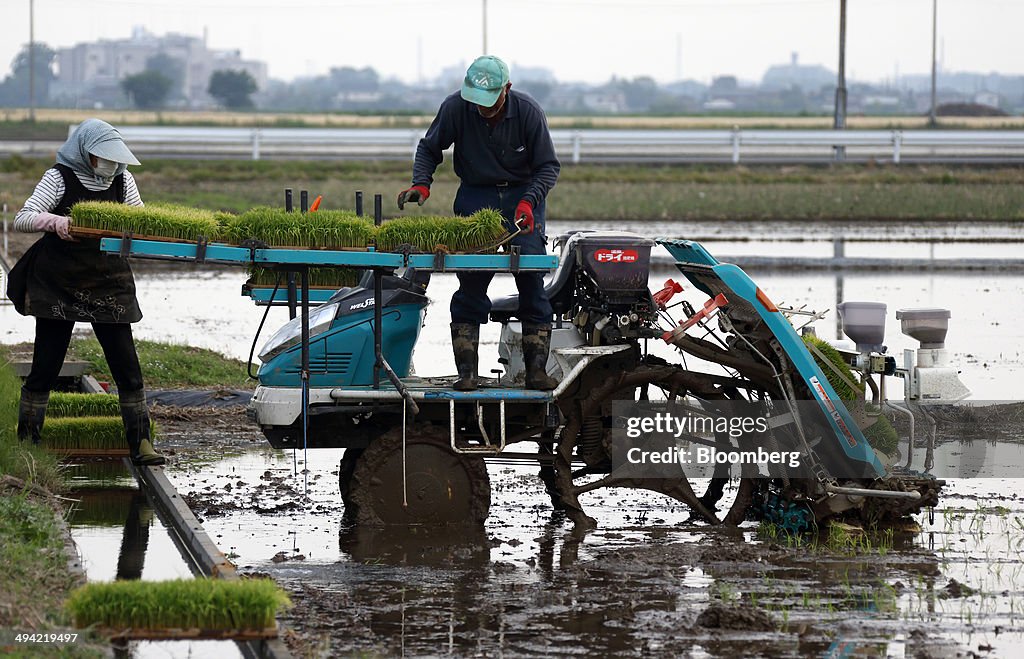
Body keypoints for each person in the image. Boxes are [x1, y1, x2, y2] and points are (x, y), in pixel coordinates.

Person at [7, 118, 165, 466]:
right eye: (102, 158)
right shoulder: (59, 177)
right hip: (58, 282)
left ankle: (141, 443)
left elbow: (139, 221)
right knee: (46, 365)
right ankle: (28, 441)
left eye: (114, 159)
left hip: (107, 280)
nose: (109, 166)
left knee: (126, 365)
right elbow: (23, 217)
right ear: (85, 152)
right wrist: (57, 222)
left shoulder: (124, 180)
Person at [397, 55, 561, 391]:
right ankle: (467, 373)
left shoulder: (528, 112)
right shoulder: (456, 107)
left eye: (490, 102)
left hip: (522, 199)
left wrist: (529, 201)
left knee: (531, 281)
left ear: (507, 90)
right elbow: (429, 148)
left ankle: (536, 372)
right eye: (477, 102)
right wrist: (421, 183)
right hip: (475, 197)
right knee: (471, 282)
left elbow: (548, 167)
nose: (483, 109)